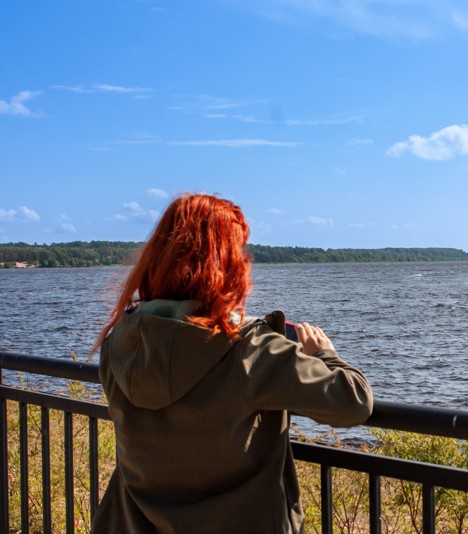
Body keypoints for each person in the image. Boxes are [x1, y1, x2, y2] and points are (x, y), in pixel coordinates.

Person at [90, 193, 373, 533]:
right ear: (225, 264)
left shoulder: (121, 341)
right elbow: (353, 401)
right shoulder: (247, 349)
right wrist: (325, 353)